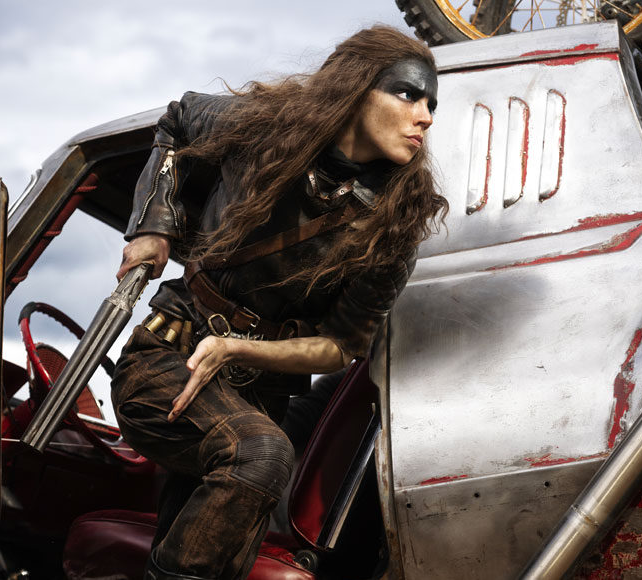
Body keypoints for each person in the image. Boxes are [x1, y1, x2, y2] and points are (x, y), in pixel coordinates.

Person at [111, 25, 447, 580]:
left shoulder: (397, 220)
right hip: (168, 357)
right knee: (262, 456)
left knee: (219, 552)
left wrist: (235, 349)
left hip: (255, 395)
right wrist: (153, 226)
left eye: (431, 104)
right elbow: (177, 118)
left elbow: (340, 347)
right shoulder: (262, 129)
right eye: (409, 94)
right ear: (358, 88)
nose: (425, 116)